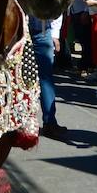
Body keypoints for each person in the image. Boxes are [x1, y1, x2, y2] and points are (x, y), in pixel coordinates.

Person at [30, 11, 66, 140]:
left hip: (42, 31)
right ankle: (17, 123)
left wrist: (55, 34)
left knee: (46, 78)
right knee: (16, 75)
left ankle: (50, 123)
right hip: (18, 30)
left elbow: (58, 5)